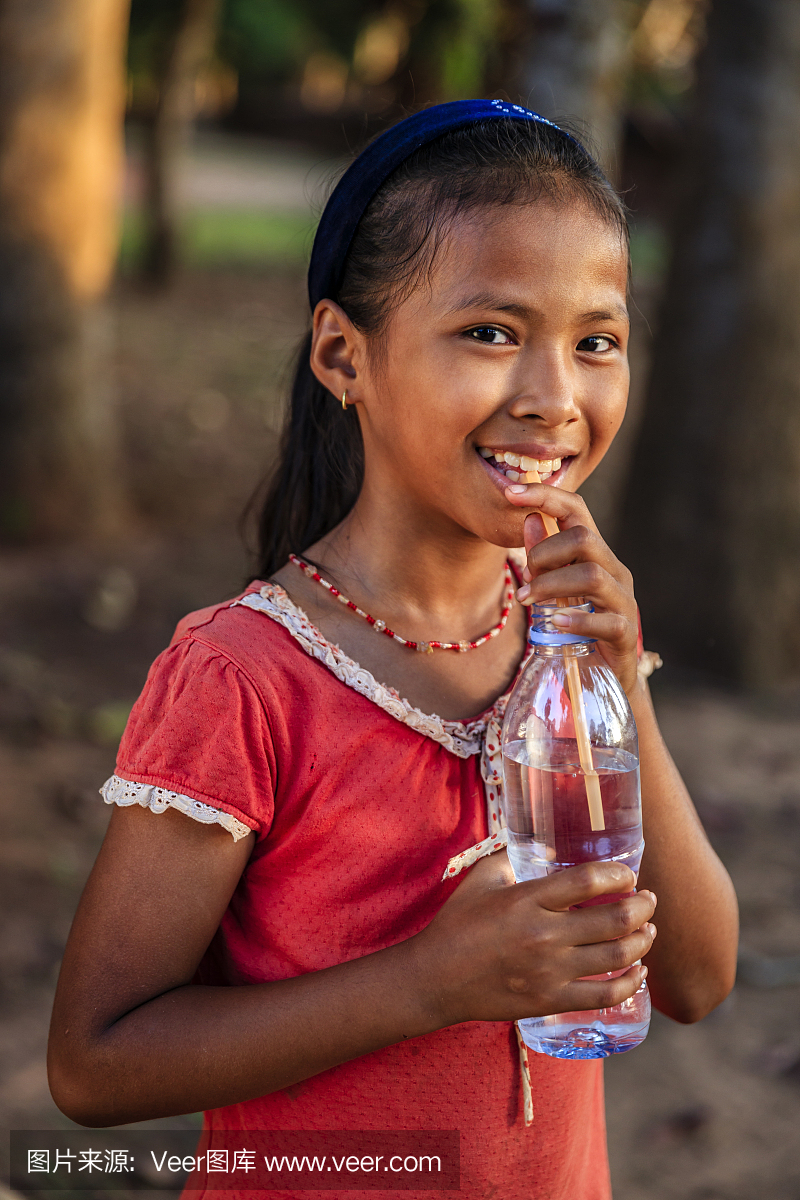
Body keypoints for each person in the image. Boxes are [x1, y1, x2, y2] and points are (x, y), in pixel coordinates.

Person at [48, 101, 738, 1200]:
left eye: (593, 341)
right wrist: (427, 983)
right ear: (342, 354)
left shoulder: (569, 635)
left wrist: (615, 685)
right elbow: (93, 1065)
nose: (553, 399)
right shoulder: (243, 678)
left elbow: (696, 976)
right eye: (490, 333)